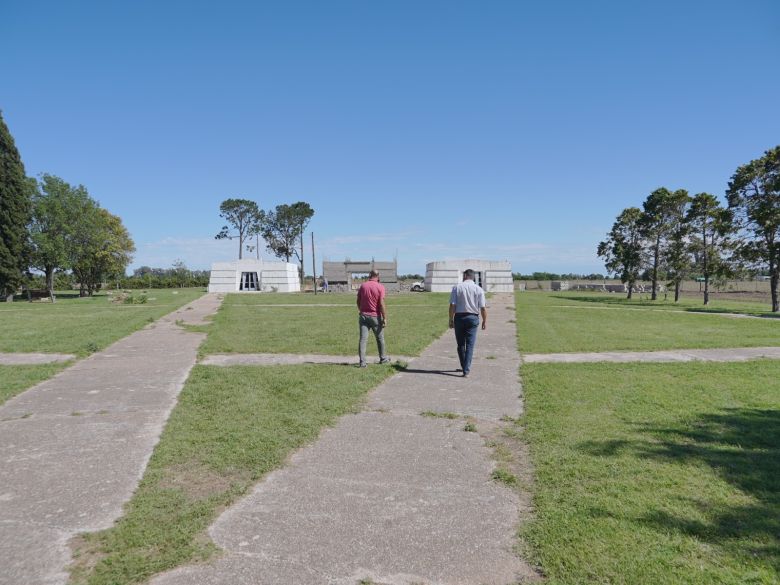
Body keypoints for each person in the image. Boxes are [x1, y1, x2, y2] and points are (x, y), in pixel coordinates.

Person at [449, 269, 487, 378]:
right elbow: (483, 308)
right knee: (470, 345)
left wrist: (450, 319)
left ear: (465, 275)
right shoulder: (479, 289)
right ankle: (466, 369)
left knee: (460, 344)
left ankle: (464, 366)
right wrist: (484, 321)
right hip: (473, 318)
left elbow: (452, 305)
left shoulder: (457, 288)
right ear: (473, 277)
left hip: (459, 317)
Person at [356, 270, 390, 367]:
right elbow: (382, 304)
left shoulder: (363, 286)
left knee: (363, 339)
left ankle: (362, 362)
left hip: (363, 316)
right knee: (380, 339)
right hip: (375, 316)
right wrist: (385, 318)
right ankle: (383, 358)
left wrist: (361, 310)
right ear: (378, 276)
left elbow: (358, 301)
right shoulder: (380, 287)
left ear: (369, 275)